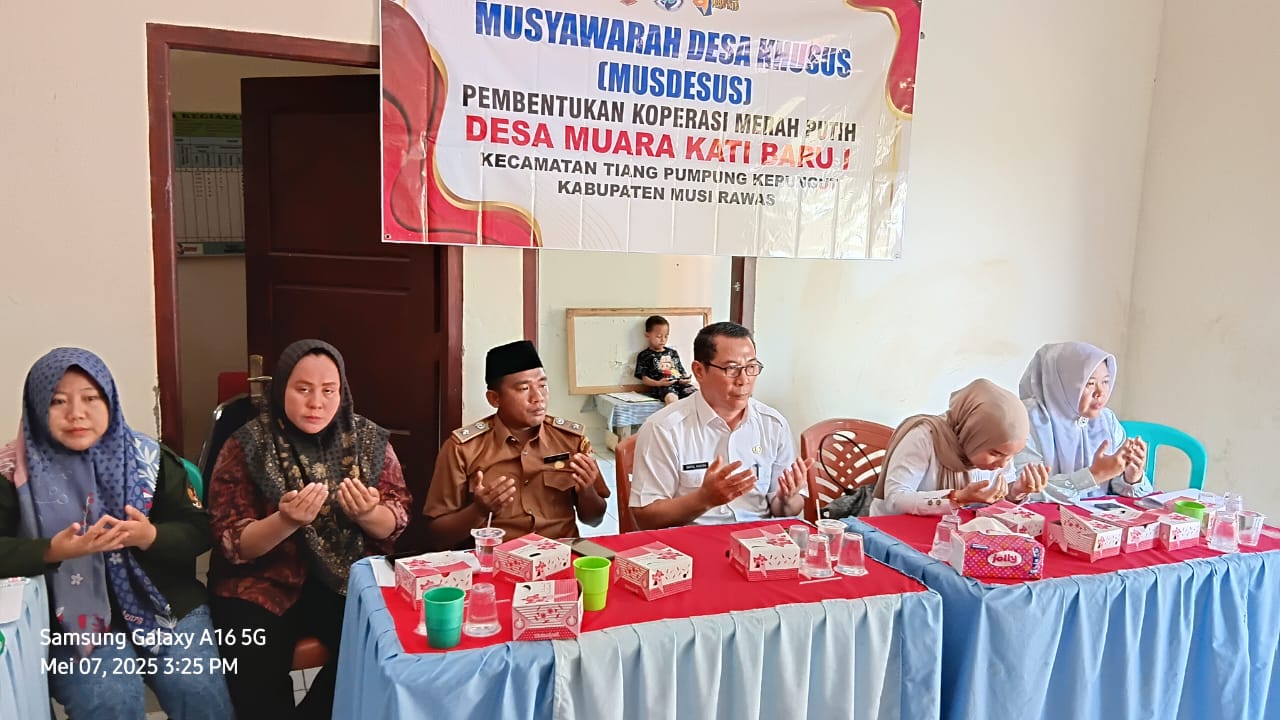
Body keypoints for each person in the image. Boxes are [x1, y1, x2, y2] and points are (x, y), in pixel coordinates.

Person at [0, 348, 232, 719]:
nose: (76, 413)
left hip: (164, 601)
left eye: (90, 398)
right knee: (111, 698)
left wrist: (149, 536)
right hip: (65, 619)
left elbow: (200, 529)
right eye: (58, 401)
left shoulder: (148, 459)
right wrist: (50, 551)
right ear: (35, 406)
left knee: (196, 687)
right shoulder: (14, 473)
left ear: (110, 400)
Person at [207, 339, 411, 720]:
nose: (316, 402)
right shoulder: (247, 444)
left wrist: (368, 514)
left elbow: (396, 520)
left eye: (328, 390)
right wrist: (285, 522)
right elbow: (232, 543)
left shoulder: (367, 441)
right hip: (258, 583)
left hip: (346, 578)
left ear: (342, 391)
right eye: (303, 389)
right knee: (253, 674)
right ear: (281, 389)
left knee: (383, 651)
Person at [421, 340, 609, 548]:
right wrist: (479, 511)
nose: (538, 398)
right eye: (523, 388)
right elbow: (437, 534)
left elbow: (594, 520)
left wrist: (587, 491)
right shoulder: (462, 449)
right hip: (494, 558)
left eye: (543, 385)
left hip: (562, 552)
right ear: (494, 399)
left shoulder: (571, 440)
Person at [629, 322, 811, 529]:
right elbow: (645, 517)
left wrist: (787, 499)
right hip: (692, 541)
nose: (744, 380)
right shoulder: (664, 428)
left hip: (758, 540)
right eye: (731, 369)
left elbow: (785, 510)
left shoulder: (773, 424)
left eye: (751, 367)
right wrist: (703, 499)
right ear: (699, 371)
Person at [870, 378, 1051, 516]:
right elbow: (895, 500)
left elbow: (995, 501)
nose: (1003, 464)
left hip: (954, 534)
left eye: (1010, 456)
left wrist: (1016, 492)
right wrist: (957, 498)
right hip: (894, 535)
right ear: (972, 434)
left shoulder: (998, 448)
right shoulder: (925, 437)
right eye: (995, 453)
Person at [1015, 342, 1152, 503]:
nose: (1100, 392)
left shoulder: (1106, 419)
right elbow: (1024, 490)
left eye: (1105, 381)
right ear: (1060, 384)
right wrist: (1094, 475)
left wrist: (1131, 477)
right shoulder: (1027, 419)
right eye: (1090, 383)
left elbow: (1117, 486)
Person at [634, 315, 696, 405]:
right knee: (671, 398)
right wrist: (659, 383)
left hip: (679, 384)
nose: (663, 340)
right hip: (662, 387)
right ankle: (675, 414)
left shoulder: (673, 353)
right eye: (659, 336)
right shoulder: (644, 355)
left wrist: (685, 379)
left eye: (666, 336)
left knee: (696, 395)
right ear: (647, 335)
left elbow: (681, 372)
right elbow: (645, 379)